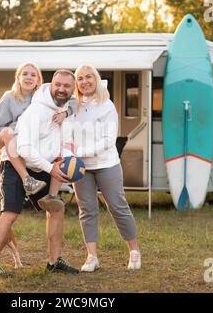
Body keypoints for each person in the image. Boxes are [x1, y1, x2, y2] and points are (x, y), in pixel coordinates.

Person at [0, 69, 79, 276]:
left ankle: (54, 262)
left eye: (67, 86)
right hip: (16, 162)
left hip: (43, 164)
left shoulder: (68, 112)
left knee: (56, 209)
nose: (61, 89)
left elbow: (66, 141)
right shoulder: (36, 110)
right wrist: (51, 168)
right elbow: (25, 149)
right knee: (10, 213)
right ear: (51, 85)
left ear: (73, 90)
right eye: (58, 85)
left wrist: (66, 159)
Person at [66, 64, 141, 272]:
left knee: (117, 206)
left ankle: (134, 251)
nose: (85, 82)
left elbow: (109, 140)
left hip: (106, 164)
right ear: (76, 83)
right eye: (80, 78)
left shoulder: (106, 105)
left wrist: (80, 152)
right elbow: (67, 133)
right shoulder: (72, 106)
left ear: (96, 79)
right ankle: (92, 257)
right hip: (80, 168)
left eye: (89, 77)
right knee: (87, 210)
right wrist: (67, 150)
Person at [0, 62, 70, 196]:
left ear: (38, 80)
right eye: (25, 74)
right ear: (18, 77)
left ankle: (52, 196)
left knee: (59, 143)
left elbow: (73, 100)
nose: (29, 77)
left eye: (33, 75)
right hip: (10, 139)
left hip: (31, 142)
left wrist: (65, 113)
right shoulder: (9, 98)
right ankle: (27, 179)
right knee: (7, 131)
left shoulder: (44, 97)